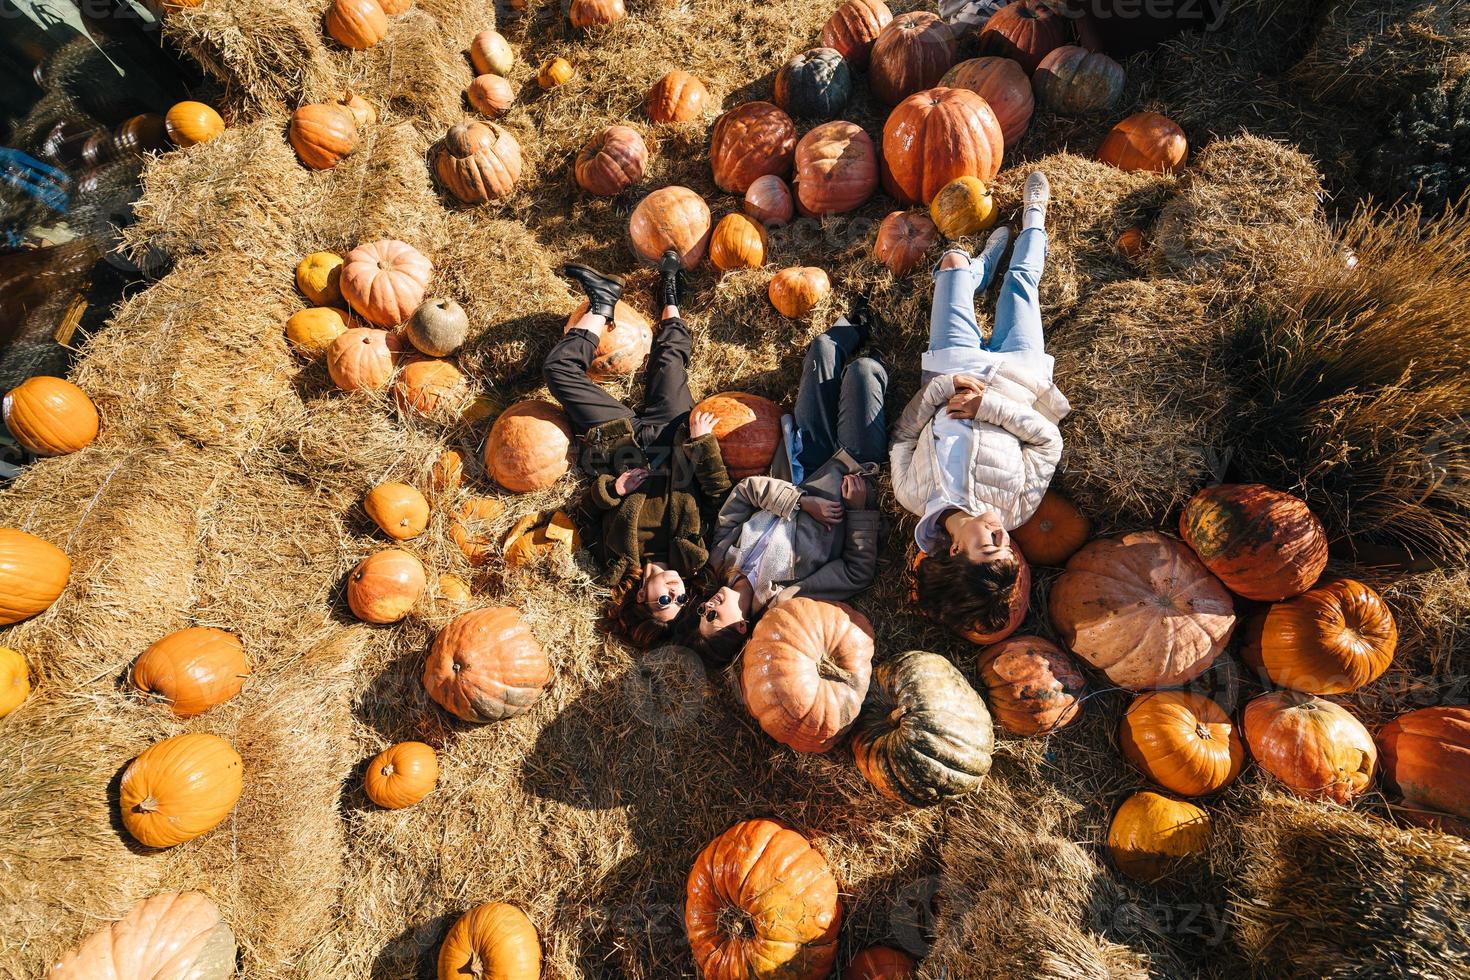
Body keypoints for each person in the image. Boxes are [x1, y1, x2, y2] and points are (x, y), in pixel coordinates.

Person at [891, 171, 1070, 639]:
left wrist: (944, 387)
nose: (1002, 536)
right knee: (1022, 284)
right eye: (1006, 547)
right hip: (1019, 375)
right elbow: (1048, 440)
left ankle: (978, 266)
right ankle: (1035, 216)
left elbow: (906, 434)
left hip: (954, 366)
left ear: (954, 551)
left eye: (990, 547)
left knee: (950, 261)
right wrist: (988, 407)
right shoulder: (1017, 508)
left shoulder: (913, 495)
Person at [543, 250, 730, 647]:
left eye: (665, 600)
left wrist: (614, 491)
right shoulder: (696, 555)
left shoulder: (612, 562)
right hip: (673, 437)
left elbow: (583, 514)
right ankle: (670, 296)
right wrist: (701, 443)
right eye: (682, 600)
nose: (676, 591)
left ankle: (602, 303)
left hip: (618, 443)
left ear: (641, 598)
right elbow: (717, 496)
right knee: (669, 362)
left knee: (557, 372)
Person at [685, 305, 888, 667]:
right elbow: (856, 571)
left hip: (799, 457)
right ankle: (874, 361)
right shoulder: (789, 600)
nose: (708, 606)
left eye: (701, 610)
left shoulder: (720, 558)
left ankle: (862, 319)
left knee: (823, 349)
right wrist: (860, 510)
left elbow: (744, 492)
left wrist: (797, 502)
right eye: (713, 618)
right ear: (743, 627)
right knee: (863, 372)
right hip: (848, 472)